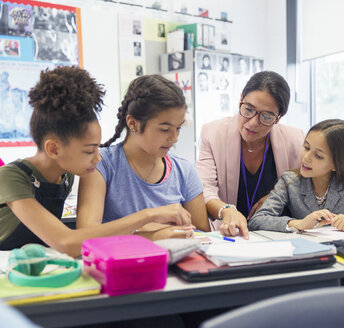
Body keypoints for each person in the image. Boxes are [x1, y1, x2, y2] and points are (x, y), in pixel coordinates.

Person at [0, 67, 191, 257]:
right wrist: (148, 216)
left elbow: (82, 238)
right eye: (89, 150)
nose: (98, 157)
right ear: (54, 149)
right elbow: (66, 242)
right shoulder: (11, 177)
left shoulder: (64, 176)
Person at [77, 74, 209, 237]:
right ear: (133, 123)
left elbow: (203, 234)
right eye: (165, 129)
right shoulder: (100, 164)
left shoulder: (184, 170)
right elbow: (85, 233)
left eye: (178, 128)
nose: (174, 138)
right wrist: (152, 234)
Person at [196, 71, 305, 238]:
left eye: (267, 116)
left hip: (277, 233)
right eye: (248, 109)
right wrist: (226, 210)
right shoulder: (213, 133)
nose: (253, 123)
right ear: (240, 99)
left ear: (278, 118)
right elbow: (204, 189)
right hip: (229, 234)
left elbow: (304, 186)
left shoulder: (295, 140)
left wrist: (276, 195)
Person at [248, 119, 344, 232]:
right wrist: (297, 224)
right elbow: (257, 220)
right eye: (306, 147)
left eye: (318, 156)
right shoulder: (290, 181)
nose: (306, 158)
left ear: (336, 164)